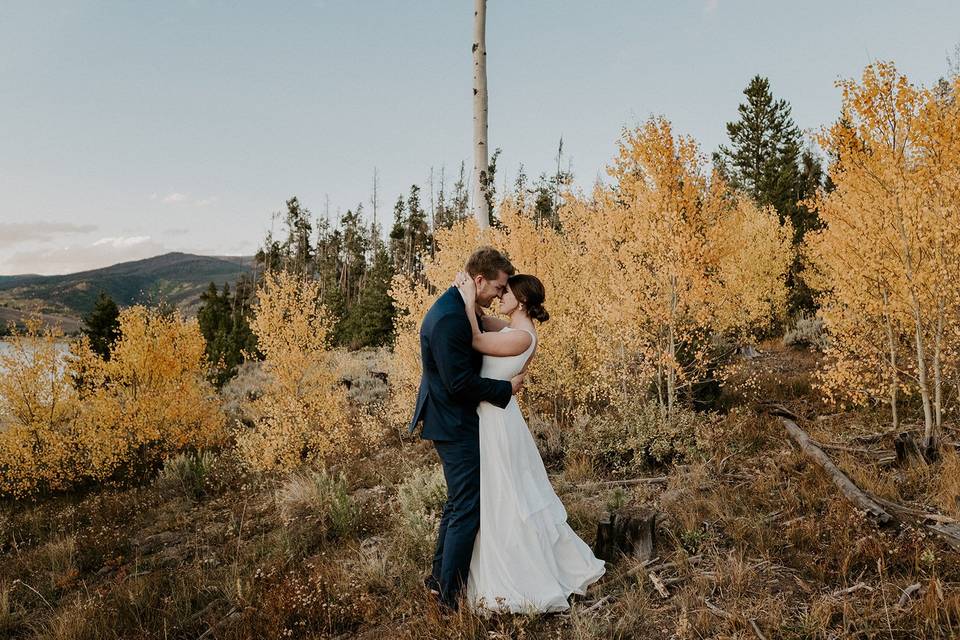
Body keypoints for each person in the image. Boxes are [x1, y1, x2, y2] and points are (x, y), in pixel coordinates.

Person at [452, 270, 606, 613]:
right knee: (499, 492)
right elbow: (483, 319)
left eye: (505, 292)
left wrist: (466, 303)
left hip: (498, 422)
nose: (500, 295)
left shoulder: (523, 337)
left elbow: (476, 340)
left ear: (521, 300)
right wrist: (468, 296)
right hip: (491, 416)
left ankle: (522, 577)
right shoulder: (511, 328)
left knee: (508, 494)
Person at [408, 247, 525, 611]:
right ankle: (449, 599)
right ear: (479, 281)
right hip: (453, 422)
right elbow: (460, 384)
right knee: (467, 509)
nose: (499, 295)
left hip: (454, 417)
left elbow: (494, 330)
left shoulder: (462, 307)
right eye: (498, 287)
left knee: (458, 503)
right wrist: (506, 389)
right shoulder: (450, 319)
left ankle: (437, 579)